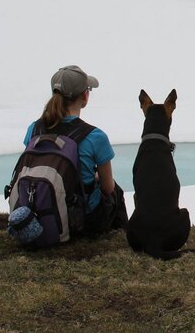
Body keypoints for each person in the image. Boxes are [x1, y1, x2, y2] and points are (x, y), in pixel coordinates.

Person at [23, 65, 127, 237]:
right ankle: (122, 235)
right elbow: (107, 188)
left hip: (41, 212)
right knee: (116, 190)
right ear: (85, 96)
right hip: (80, 221)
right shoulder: (95, 136)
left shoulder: (34, 129)